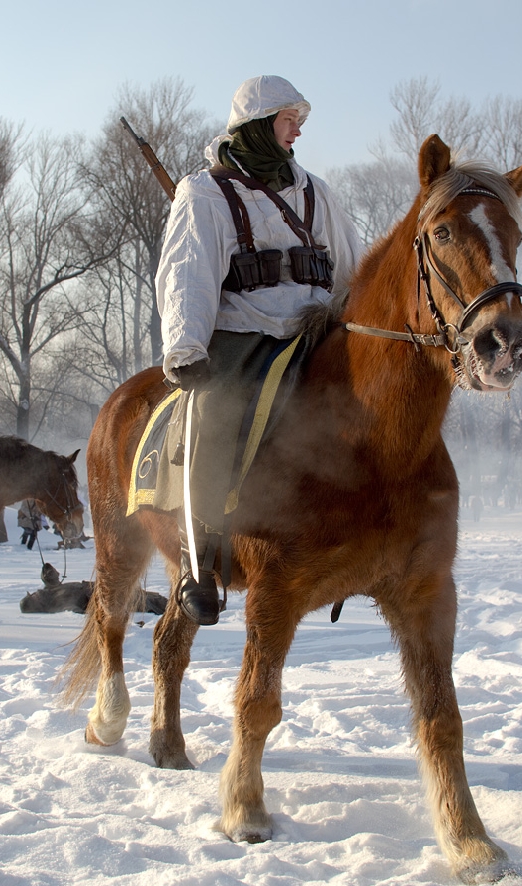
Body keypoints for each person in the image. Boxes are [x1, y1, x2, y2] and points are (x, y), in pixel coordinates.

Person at [155, 75, 363, 626]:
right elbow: (187, 274)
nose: (298, 130)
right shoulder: (205, 193)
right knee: (217, 410)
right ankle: (198, 554)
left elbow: (352, 271)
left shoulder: (317, 192)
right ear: (257, 125)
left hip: (318, 333)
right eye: (288, 118)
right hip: (246, 335)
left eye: (300, 119)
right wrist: (186, 347)